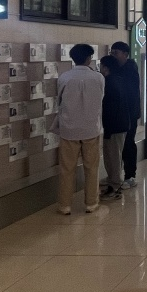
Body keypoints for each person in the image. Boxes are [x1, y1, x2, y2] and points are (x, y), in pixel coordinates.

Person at [53, 44, 105, 214]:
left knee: (67, 169)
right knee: (92, 167)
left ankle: (65, 205)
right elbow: (101, 97)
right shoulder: (98, 78)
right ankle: (91, 203)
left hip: (69, 129)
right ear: (89, 58)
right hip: (91, 128)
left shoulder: (64, 77)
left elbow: (60, 100)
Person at [110, 41, 141, 189]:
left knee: (128, 143)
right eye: (112, 53)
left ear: (125, 54)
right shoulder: (118, 69)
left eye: (116, 53)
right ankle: (118, 175)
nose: (113, 56)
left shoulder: (130, 69)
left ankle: (130, 176)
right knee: (120, 145)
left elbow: (130, 94)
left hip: (129, 114)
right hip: (120, 113)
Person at [98, 55, 129, 200]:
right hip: (120, 124)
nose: (100, 68)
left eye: (101, 65)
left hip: (114, 126)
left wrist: (108, 129)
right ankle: (113, 181)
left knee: (113, 157)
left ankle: (114, 188)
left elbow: (111, 108)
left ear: (106, 68)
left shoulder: (110, 83)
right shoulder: (119, 80)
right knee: (114, 156)